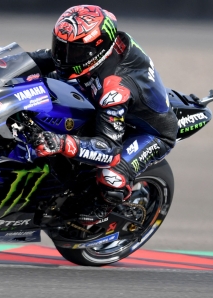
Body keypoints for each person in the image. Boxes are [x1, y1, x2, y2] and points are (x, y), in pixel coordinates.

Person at [28, 5, 179, 224]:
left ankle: (103, 208)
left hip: (150, 132)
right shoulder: (93, 49)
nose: (64, 56)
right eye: (61, 47)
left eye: (75, 51)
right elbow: (35, 60)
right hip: (111, 100)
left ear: (96, 49)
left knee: (112, 175)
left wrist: (61, 143)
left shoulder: (114, 89)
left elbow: (109, 149)